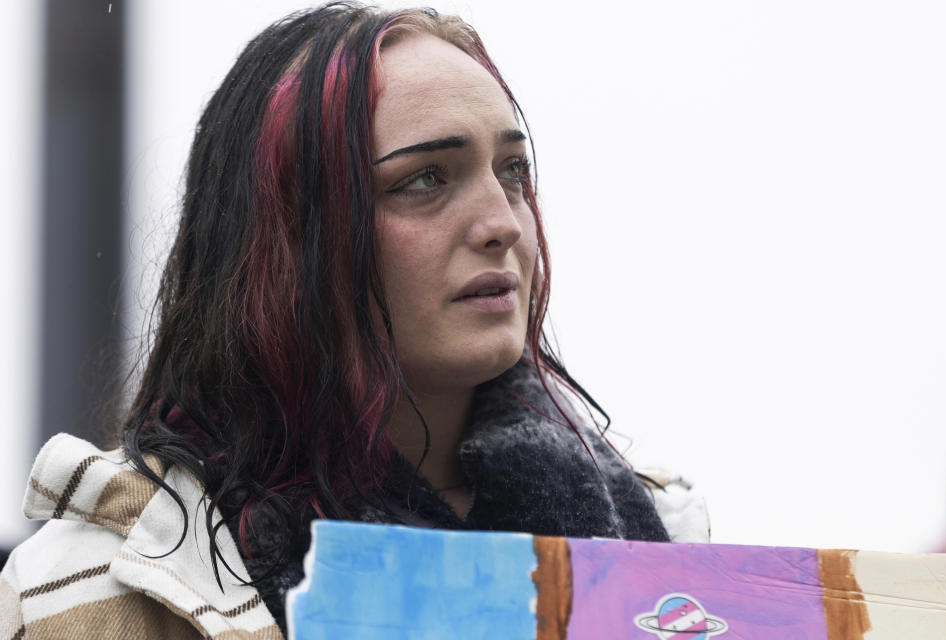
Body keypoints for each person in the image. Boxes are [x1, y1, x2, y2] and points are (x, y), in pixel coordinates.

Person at [0, 3, 708, 638]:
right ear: (282, 240)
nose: (502, 224)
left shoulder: (667, 544)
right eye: (425, 179)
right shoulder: (102, 582)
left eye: (513, 171)